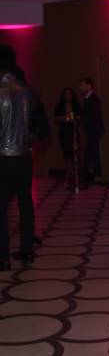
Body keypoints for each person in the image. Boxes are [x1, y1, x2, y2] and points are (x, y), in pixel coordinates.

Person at [0, 47, 36, 269]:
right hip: (24, 157)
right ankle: (27, 250)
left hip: (2, 158)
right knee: (25, 204)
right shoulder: (27, 91)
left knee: (1, 208)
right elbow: (38, 126)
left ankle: (2, 256)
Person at [54, 87, 81, 188]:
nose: (68, 96)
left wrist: (75, 118)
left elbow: (80, 116)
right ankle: (68, 172)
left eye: (70, 94)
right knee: (66, 153)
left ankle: (75, 174)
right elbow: (55, 117)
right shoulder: (60, 105)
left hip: (73, 132)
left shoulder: (76, 105)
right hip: (64, 132)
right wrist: (65, 118)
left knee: (75, 152)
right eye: (66, 94)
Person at [79, 77, 104, 183]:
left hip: (94, 129)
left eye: (83, 85)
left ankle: (96, 174)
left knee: (93, 151)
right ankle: (87, 173)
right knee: (90, 151)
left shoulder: (93, 99)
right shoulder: (87, 98)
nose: (81, 87)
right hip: (91, 129)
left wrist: (82, 118)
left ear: (89, 86)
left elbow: (94, 116)